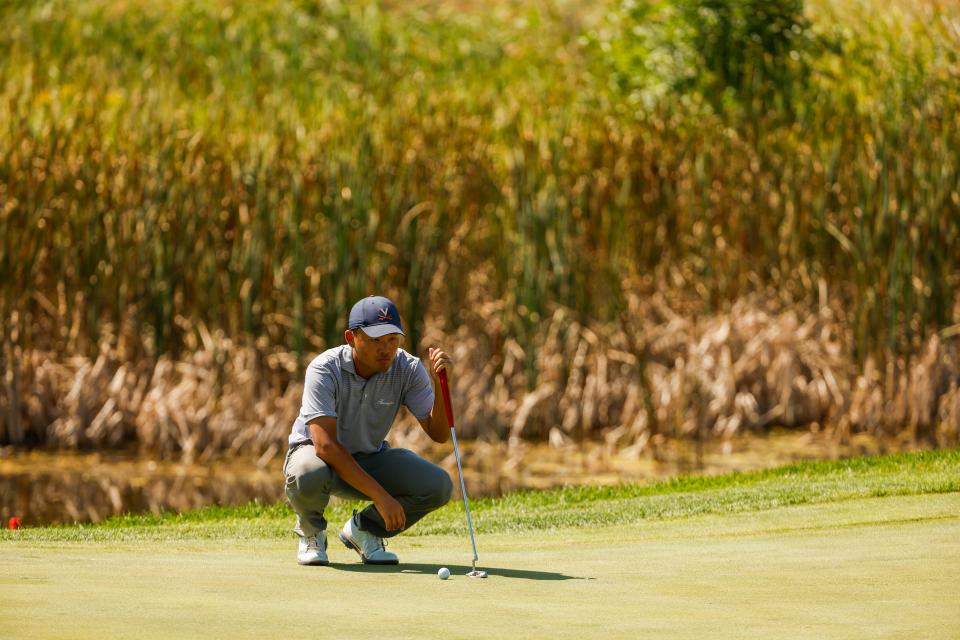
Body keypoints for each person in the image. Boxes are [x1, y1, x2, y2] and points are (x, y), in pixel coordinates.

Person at [283, 295, 454, 566]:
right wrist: (382, 497)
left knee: (438, 485)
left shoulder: (407, 369)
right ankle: (312, 532)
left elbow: (439, 434)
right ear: (351, 337)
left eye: (392, 340)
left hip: (369, 458)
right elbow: (325, 445)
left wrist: (441, 387)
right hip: (319, 458)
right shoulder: (324, 368)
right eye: (375, 340)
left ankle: (364, 530)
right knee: (308, 471)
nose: (386, 349)